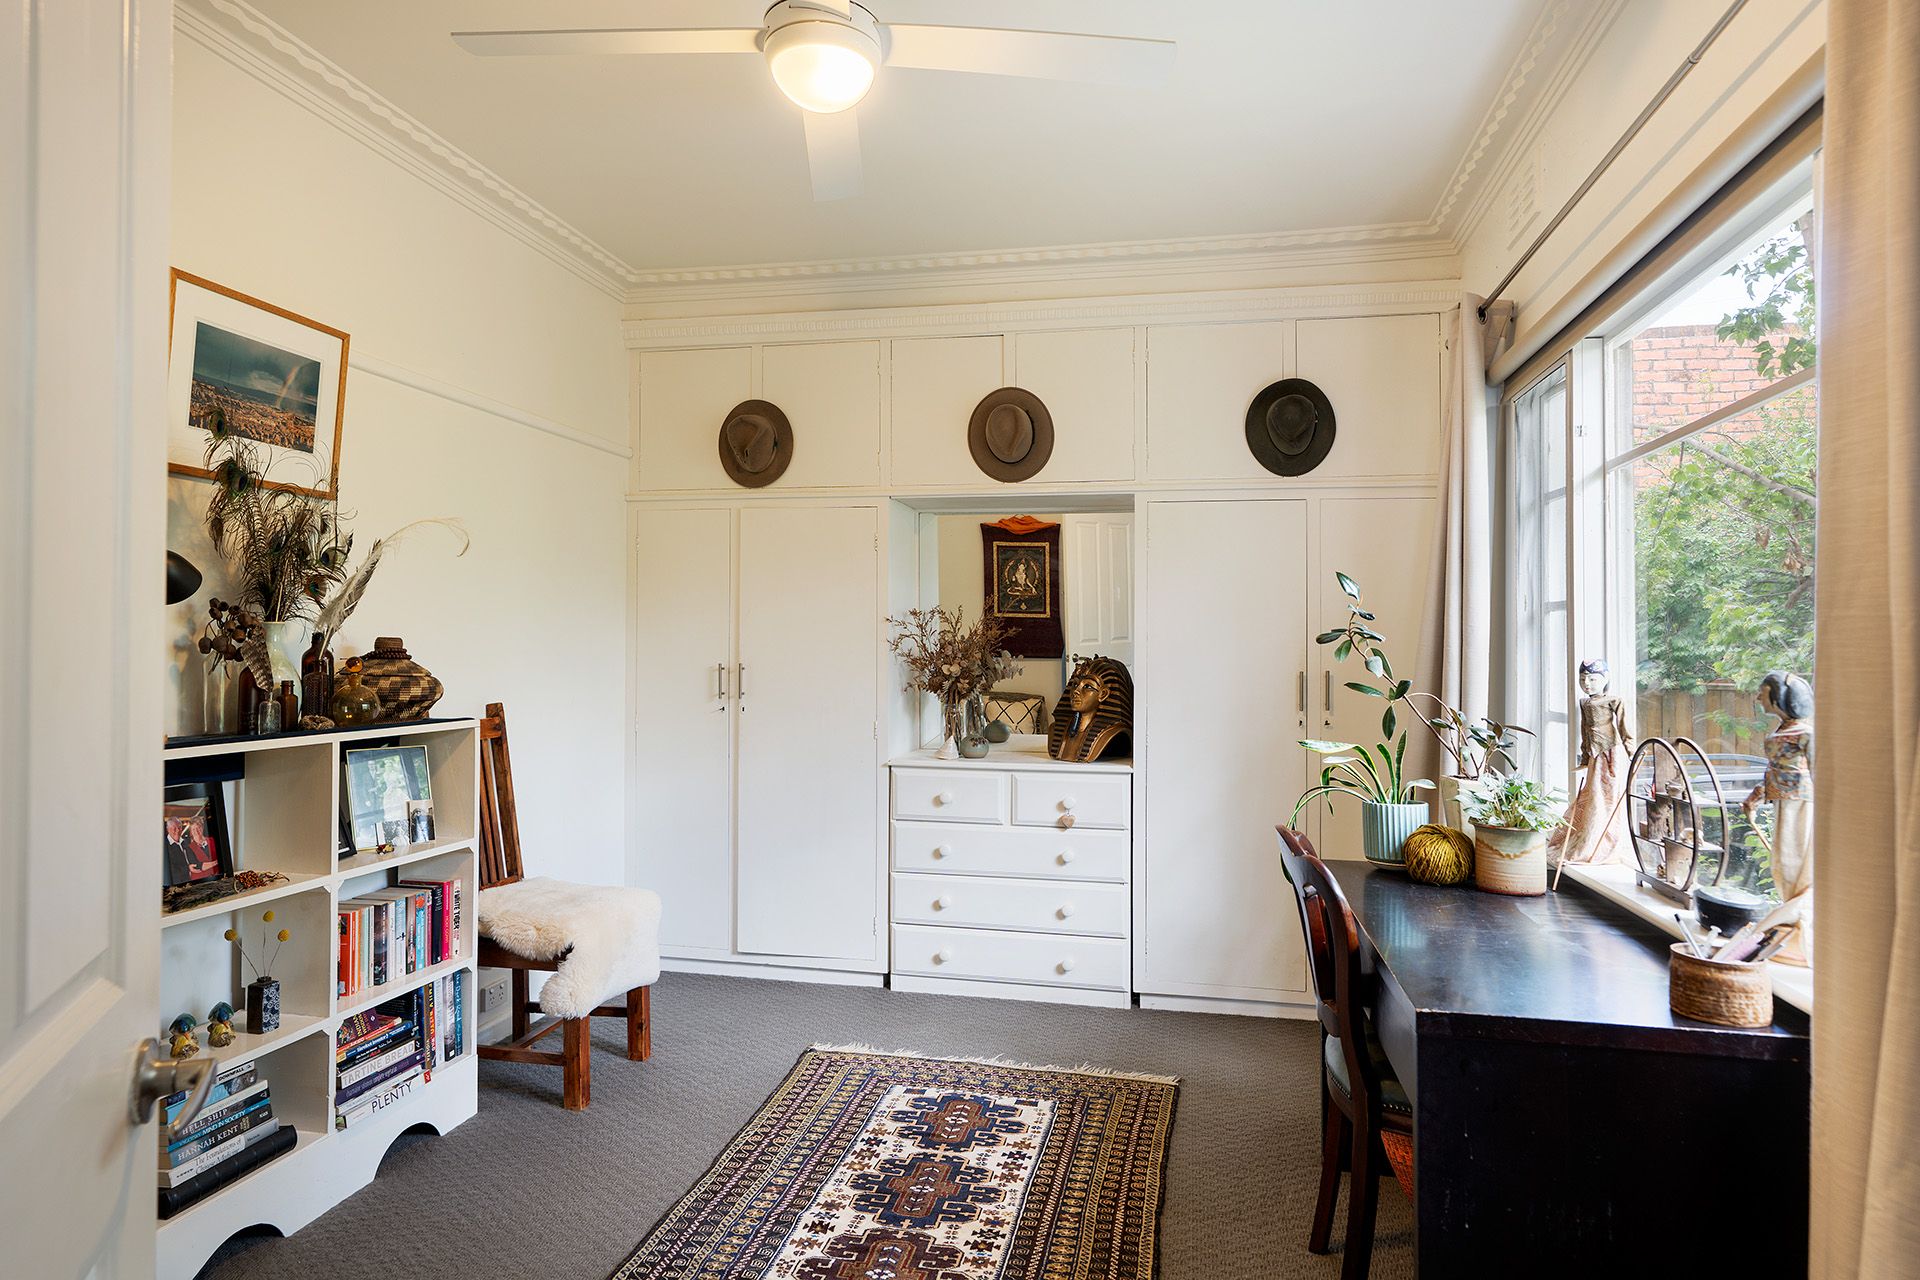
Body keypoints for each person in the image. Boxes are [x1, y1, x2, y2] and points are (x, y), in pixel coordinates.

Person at [1743, 670, 1814, 965]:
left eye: (1763, 693)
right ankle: (1790, 922)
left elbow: (1819, 771)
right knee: (1783, 864)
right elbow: (1773, 770)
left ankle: (1801, 928)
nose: (1758, 698)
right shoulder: (1782, 731)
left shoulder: (1806, 733)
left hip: (1802, 804)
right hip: (1783, 803)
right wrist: (1756, 797)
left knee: (1797, 864)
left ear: (1780, 698)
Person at [1550, 659, 1633, 866]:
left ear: (1605, 679)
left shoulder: (1614, 700)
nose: (1587, 683)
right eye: (1582, 679)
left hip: (1610, 753)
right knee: (1592, 795)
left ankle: (1602, 842)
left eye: (1592, 679)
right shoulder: (1584, 703)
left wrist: (1632, 751)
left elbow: (1625, 728)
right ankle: (1588, 836)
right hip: (1595, 754)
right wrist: (1585, 756)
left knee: (1606, 797)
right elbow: (1584, 729)